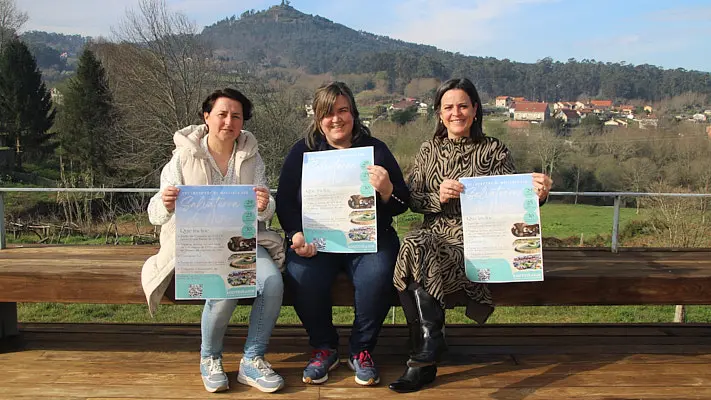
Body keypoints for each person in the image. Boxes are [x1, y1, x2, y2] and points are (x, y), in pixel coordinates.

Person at [388, 78, 553, 393]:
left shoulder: (493, 150)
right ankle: (429, 344)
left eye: (463, 105)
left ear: (475, 110)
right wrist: (438, 195)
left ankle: (422, 358)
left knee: (412, 254)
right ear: (439, 113)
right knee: (414, 244)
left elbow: (516, 200)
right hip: (434, 238)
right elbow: (411, 198)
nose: (456, 113)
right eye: (448, 107)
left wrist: (539, 195)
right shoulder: (428, 150)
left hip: (478, 242)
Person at [141, 88, 286, 394]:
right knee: (226, 285)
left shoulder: (252, 157)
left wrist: (264, 204)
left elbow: (265, 208)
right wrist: (166, 203)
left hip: (242, 241)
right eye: (222, 114)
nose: (229, 121)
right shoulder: (183, 157)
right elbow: (155, 213)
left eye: (236, 115)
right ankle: (210, 357)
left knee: (272, 282)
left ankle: (252, 359)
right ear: (206, 117)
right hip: (199, 245)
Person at [276, 81, 410, 386]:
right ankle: (324, 347)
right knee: (299, 274)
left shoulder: (376, 150)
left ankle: (361, 349)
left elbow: (401, 204)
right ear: (318, 118)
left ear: (354, 113)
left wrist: (388, 190)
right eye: (328, 113)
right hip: (317, 243)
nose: (336, 119)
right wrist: (296, 234)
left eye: (343, 110)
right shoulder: (303, 151)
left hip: (370, 240)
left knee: (378, 275)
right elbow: (284, 202)